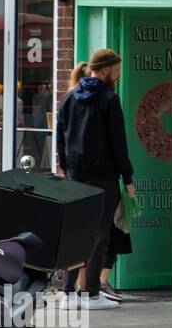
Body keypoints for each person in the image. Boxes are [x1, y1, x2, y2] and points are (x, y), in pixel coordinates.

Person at [55, 48, 135, 310]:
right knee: (100, 236)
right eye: (117, 68)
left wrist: (65, 168)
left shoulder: (69, 98)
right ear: (106, 70)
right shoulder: (110, 100)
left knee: (75, 234)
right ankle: (91, 294)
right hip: (103, 178)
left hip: (75, 177)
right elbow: (118, 142)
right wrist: (128, 177)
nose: (120, 73)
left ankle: (66, 292)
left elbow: (61, 138)